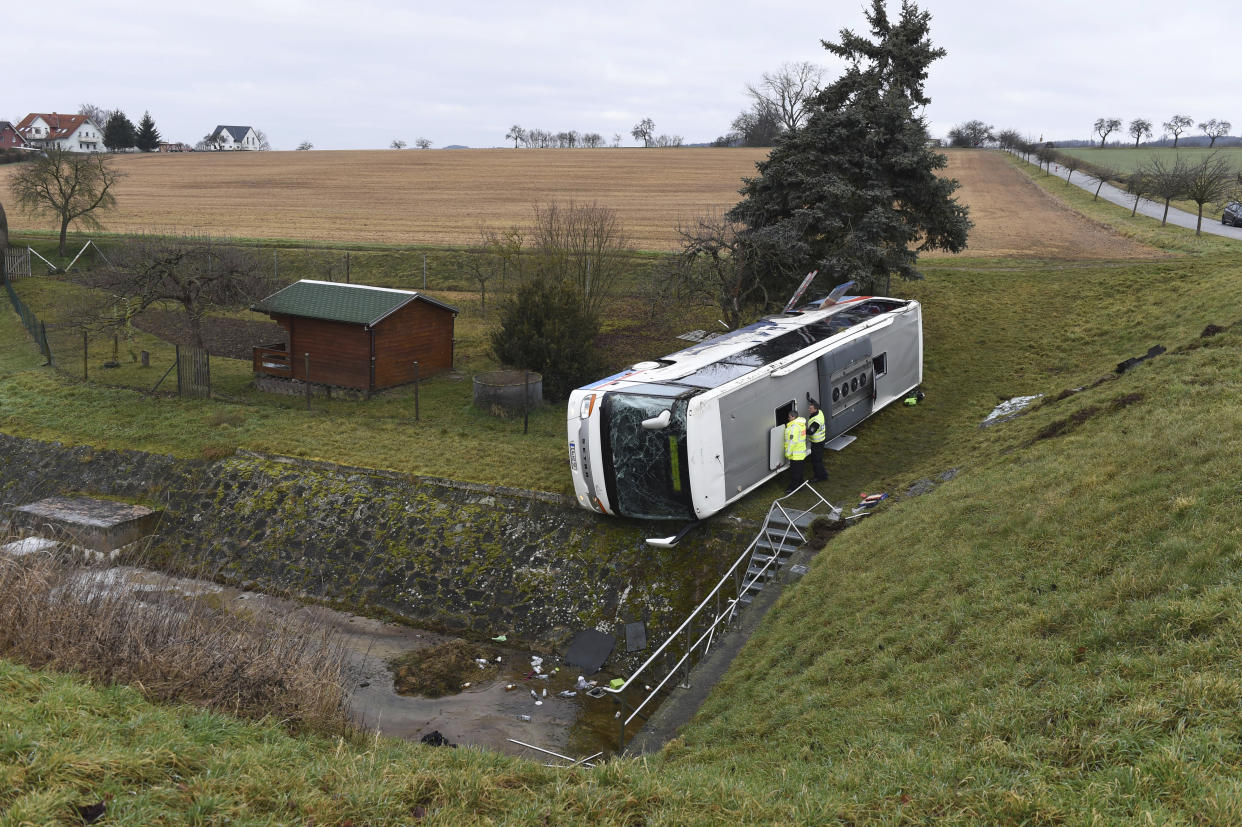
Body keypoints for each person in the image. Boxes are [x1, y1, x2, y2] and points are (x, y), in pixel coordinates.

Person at [783, 407, 808, 494]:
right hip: (800, 452)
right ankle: (801, 486)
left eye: (789, 417)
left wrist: (788, 453)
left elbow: (792, 442)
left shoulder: (794, 427)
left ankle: (792, 488)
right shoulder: (801, 424)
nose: (788, 418)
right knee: (799, 471)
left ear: (793, 417)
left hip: (795, 454)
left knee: (795, 473)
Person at [806, 398, 828, 482]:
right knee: (818, 459)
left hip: (817, 443)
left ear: (815, 409)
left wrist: (801, 429)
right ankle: (824, 475)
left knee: (816, 461)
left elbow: (811, 431)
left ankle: (819, 477)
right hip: (821, 441)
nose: (809, 409)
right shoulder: (820, 412)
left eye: (810, 408)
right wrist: (810, 399)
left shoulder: (816, 421)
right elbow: (815, 403)